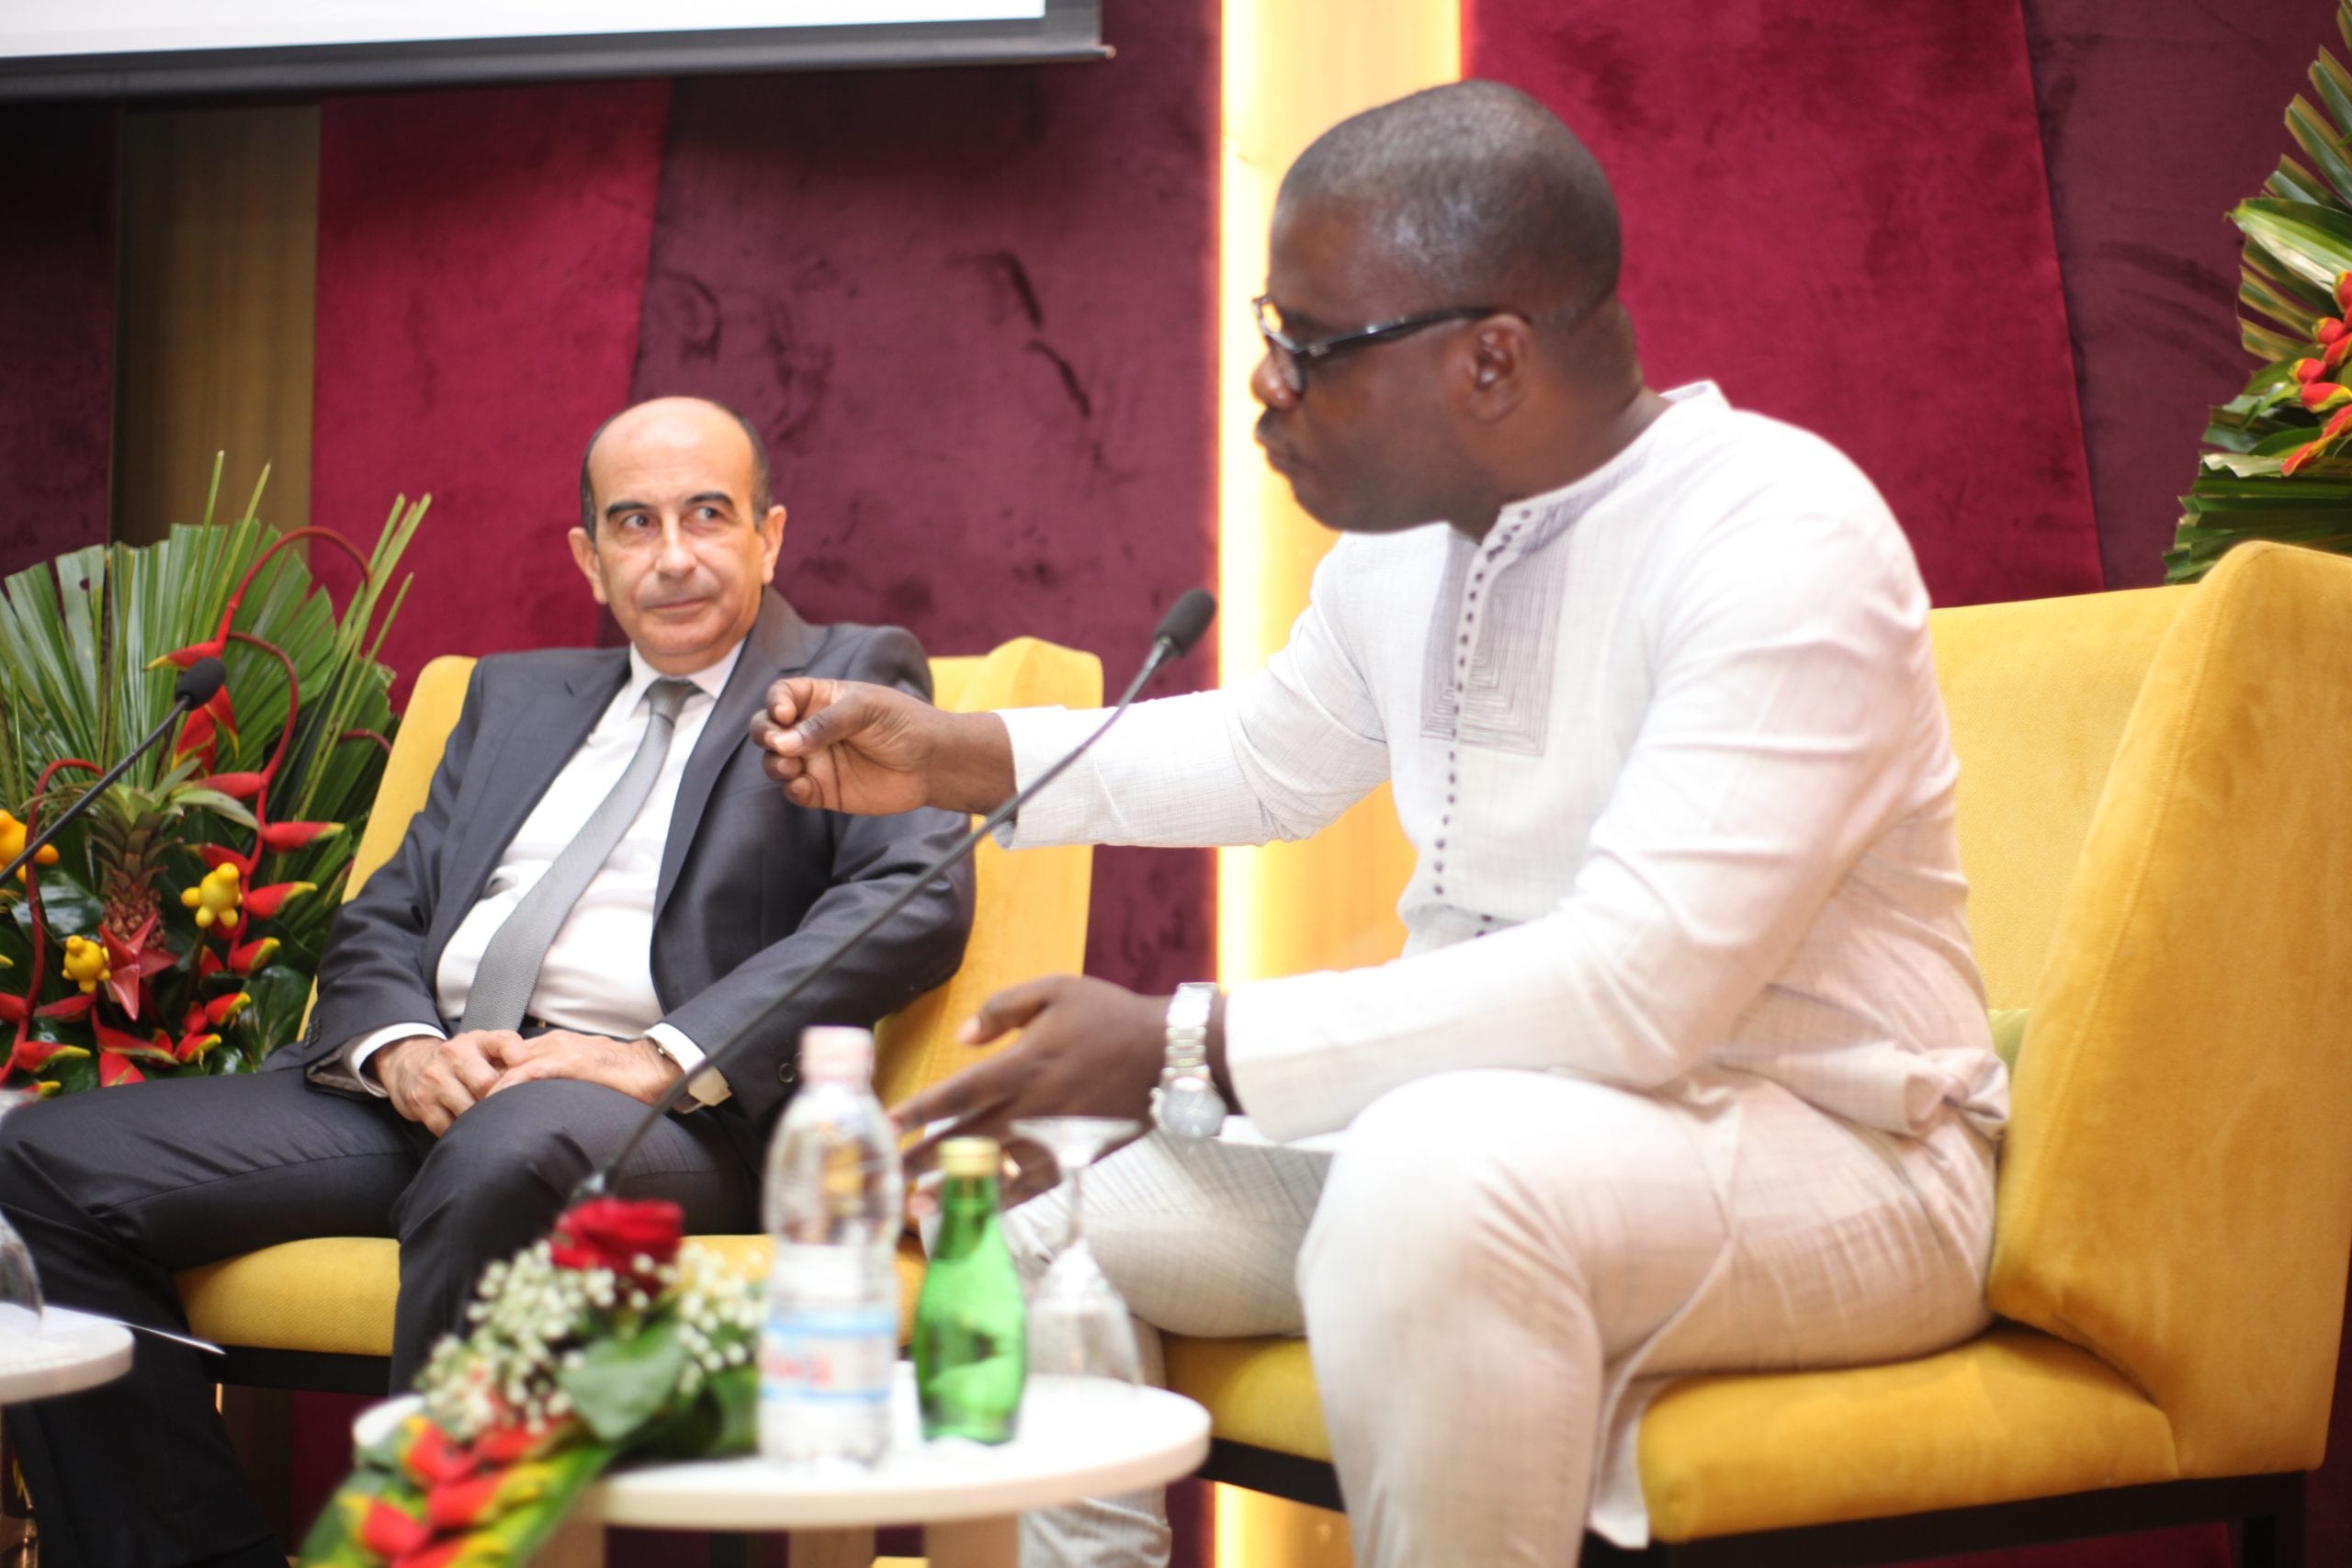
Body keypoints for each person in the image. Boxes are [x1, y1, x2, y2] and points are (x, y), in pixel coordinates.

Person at [751, 84, 2007, 1567]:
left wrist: (1187, 1042)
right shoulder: (1406, 547)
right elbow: (1269, 753)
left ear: (1491, 359)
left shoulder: (1777, 536)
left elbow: (1638, 981)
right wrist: (952, 755)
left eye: (1310, 346)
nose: (1264, 383)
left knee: (1436, 1175)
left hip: (1830, 1150)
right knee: (1046, 1205)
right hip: (1466, 1126)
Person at [0, 395, 975, 1568]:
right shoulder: (512, 699)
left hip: (664, 1114)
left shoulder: (850, 676)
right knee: (36, 1164)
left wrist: (657, 1055)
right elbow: (387, 913)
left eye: (708, 515)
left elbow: (914, 894)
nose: (673, 555)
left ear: (769, 537)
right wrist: (403, 1049)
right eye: (634, 523)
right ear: (590, 559)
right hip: (435, 1086)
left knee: (506, 1155)